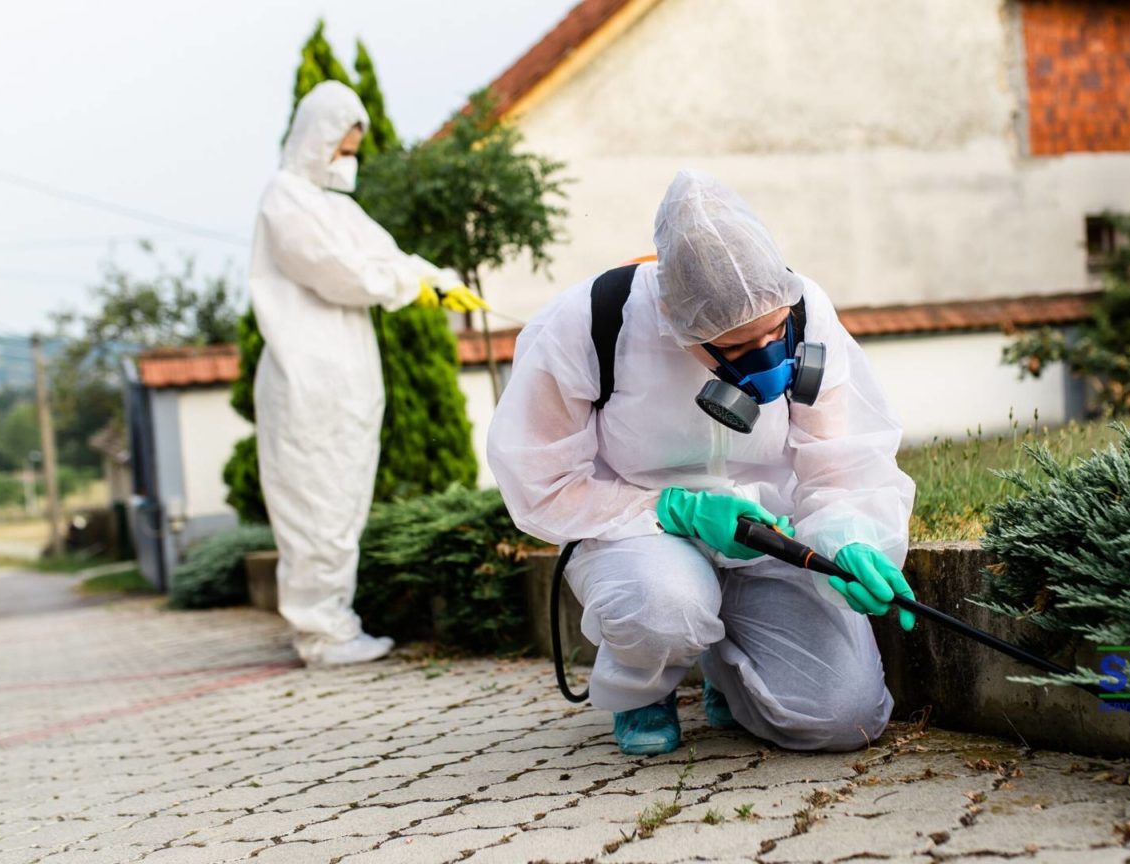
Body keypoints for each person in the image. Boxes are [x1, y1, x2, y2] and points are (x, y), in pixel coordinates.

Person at [488, 169, 916, 755]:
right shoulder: (590, 322)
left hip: (772, 534)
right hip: (638, 540)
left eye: (773, 333)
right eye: (737, 350)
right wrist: (668, 508)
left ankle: (731, 676)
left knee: (846, 718)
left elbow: (840, 462)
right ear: (673, 320)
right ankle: (640, 690)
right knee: (665, 604)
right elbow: (541, 481)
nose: (766, 360)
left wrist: (853, 537)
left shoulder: (808, 311)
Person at [249, 81, 486, 667]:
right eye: (342, 148)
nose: (348, 160)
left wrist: (436, 277)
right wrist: (412, 286)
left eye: (354, 149)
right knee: (315, 505)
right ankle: (320, 635)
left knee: (343, 504)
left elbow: (382, 256)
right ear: (316, 139)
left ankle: (336, 623)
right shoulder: (285, 198)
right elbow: (341, 273)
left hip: (346, 379)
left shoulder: (336, 206)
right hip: (305, 381)